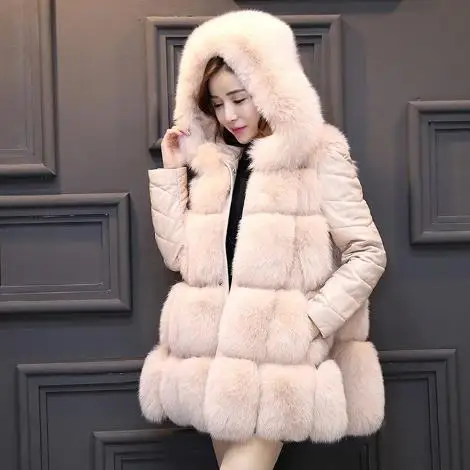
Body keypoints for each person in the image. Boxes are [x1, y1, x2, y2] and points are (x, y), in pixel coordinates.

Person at [139, 10, 387, 470]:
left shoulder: (318, 153)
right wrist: (173, 174)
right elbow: (180, 258)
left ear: (272, 88)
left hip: (278, 376)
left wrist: (308, 322)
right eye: (217, 104)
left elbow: (367, 253)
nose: (229, 115)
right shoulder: (217, 165)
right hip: (216, 371)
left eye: (240, 98)